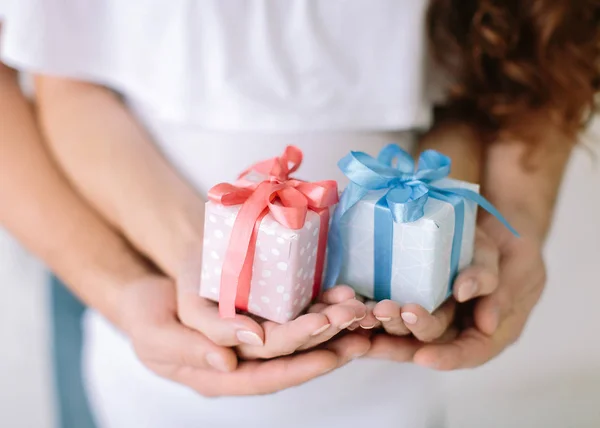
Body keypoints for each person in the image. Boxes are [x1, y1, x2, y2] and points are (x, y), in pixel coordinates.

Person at [1, 1, 598, 428]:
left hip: (387, 378)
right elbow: (65, 80)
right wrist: (146, 277)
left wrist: (504, 216)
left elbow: (518, 58)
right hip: (136, 315)